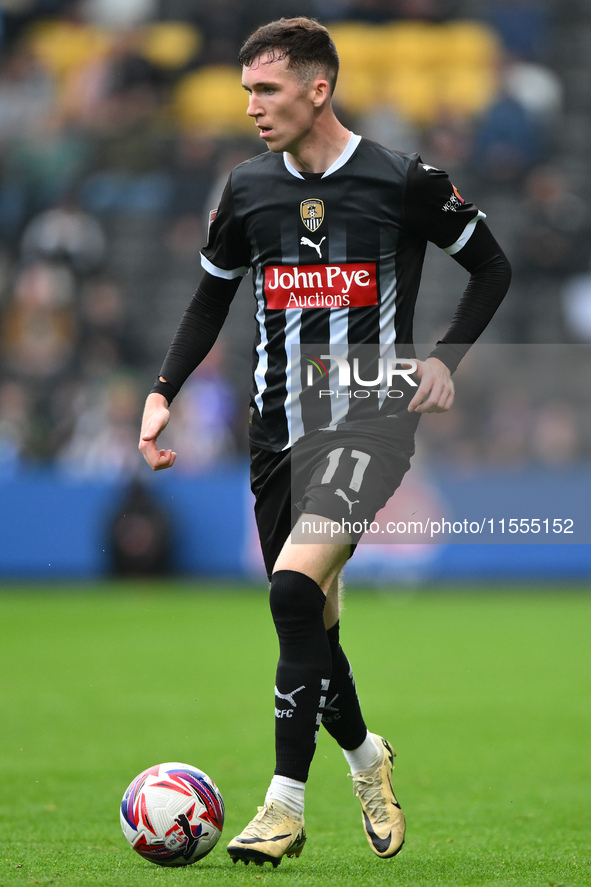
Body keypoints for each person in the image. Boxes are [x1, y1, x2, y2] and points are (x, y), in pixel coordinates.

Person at [139, 17, 511, 868]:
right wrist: (163, 392)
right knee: (312, 621)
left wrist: (443, 361)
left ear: (318, 88)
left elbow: (491, 266)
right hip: (275, 431)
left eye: (266, 90)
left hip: (369, 423)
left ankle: (282, 804)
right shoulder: (245, 189)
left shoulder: (404, 180)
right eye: (244, 91)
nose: (251, 107)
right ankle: (364, 755)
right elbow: (208, 301)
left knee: (290, 589)